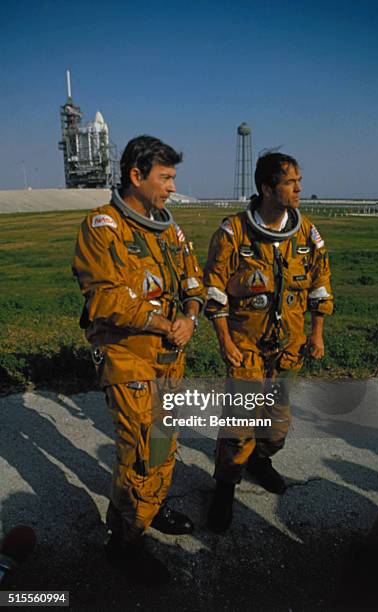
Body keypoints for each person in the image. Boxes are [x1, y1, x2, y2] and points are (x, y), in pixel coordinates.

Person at [73, 135, 204, 583]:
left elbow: (193, 282)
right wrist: (166, 325)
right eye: (164, 178)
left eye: (172, 178)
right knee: (141, 452)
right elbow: (107, 300)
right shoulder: (102, 227)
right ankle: (125, 542)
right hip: (128, 357)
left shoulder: (171, 230)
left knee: (166, 441)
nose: (171, 187)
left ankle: (153, 506)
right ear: (136, 175)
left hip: (169, 358)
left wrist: (189, 316)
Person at [203, 151, 333, 533]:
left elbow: (320, 285)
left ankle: (260, 461)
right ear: (267, 188)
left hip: (287, 348)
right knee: (241, 424)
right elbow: (214, 292)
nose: (299, 188)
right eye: (291, 182)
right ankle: (225, 486)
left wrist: (316, 332)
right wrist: (225, 340)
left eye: (298, 180)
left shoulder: (306, 234)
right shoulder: (234, 233)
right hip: (244, 346)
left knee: (275, 430)